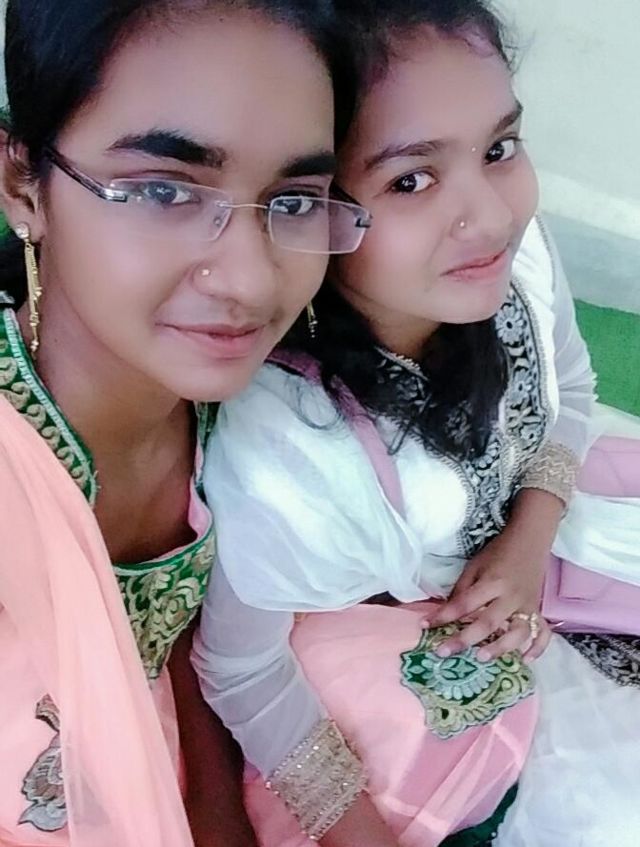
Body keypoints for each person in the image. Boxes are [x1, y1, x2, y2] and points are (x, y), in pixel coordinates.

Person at [194, 1, 640, 846]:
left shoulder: (511, 259)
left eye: (499, 148)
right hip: (406, 630)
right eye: (410, 179)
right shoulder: (289, 450)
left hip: (550, 539)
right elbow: (240, 666)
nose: (492, 214)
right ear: (308, 207)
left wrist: (528, 535)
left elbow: (573, 387)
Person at [0, 1, 368, 845]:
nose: (251, 280)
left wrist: (215, 811)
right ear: (23, 184)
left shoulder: (242, 412)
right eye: (164, 189)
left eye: (295, 200)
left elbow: (188, 644)